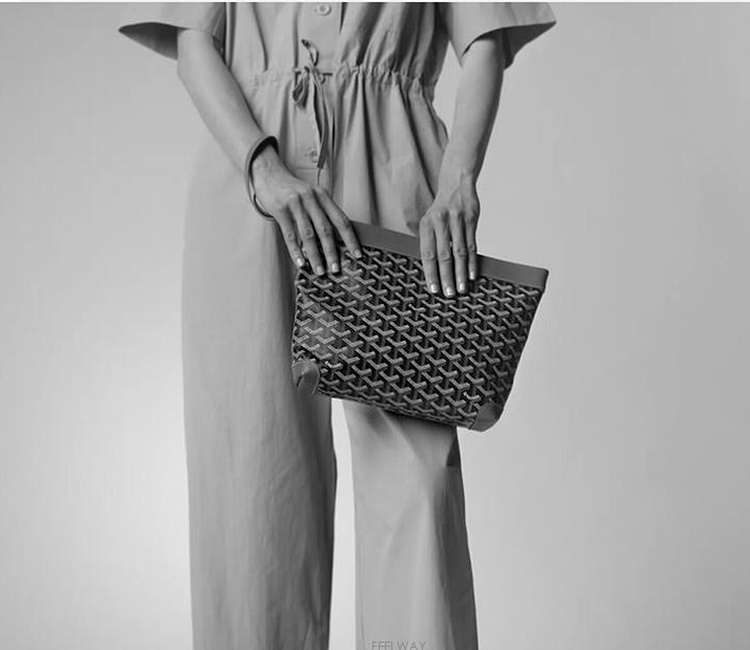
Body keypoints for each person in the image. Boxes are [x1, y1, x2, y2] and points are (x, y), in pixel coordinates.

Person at [117, 3, 556, 649]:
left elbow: (484, 37)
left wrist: (460, 180)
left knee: (418, 478)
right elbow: (193, 41)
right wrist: (262, 169)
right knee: (254, 478)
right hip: (250, 174)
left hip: (395, 163)